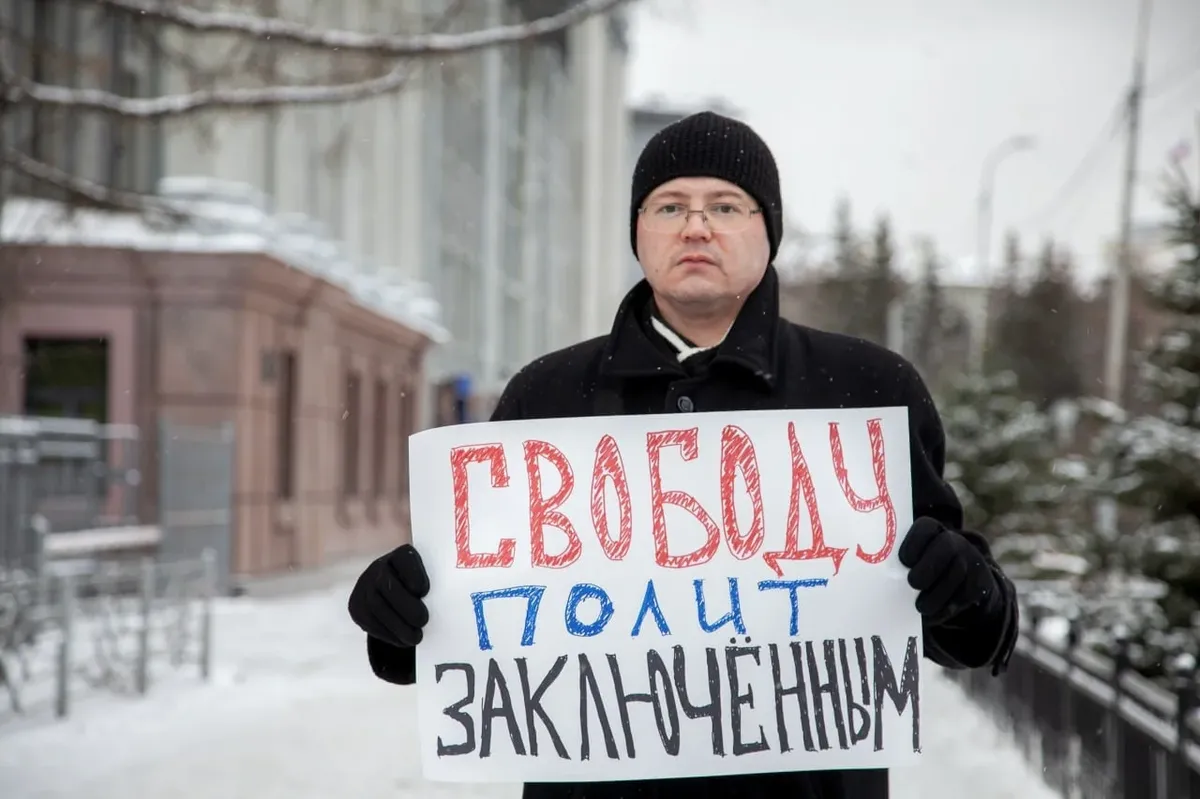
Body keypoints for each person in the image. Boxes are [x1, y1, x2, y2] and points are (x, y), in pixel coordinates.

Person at [348, 111, 1019, 799]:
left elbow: (970, 635)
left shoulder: (868, 390)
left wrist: (963, 587)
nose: (696, 227)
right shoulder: (544, 397)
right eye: (670, 206)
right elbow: (474, 627)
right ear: (638, 231)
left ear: (768, 231)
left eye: (725, 206)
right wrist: (398, 614)